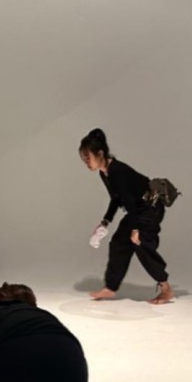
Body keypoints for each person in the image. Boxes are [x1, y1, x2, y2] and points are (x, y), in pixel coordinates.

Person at [79, 128, 175, 304]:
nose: (86, 163)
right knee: (118, 243)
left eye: (88, 158)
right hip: (137, 209)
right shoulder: (104, 172)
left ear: (100, 154)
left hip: (150, 208)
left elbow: (129, 201)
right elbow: (116, 198)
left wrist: (136, 229)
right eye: (84, 159)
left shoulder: (117, 170)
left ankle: (166, 289)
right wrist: (105, 222)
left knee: (140, 245)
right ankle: (110, 287)